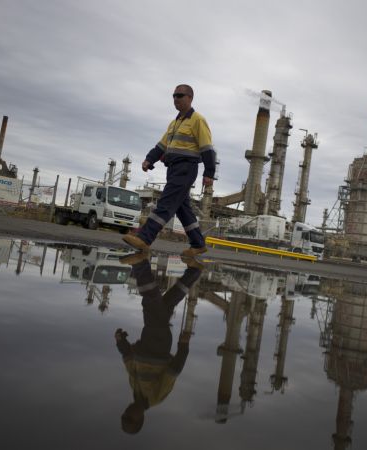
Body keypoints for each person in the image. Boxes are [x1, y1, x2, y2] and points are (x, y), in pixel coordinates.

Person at [122, 84, 216, 257]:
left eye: (179, 95)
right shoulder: (174, 123)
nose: (175, 99)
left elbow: (207, 148)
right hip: (173, 169)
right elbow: (161, 146)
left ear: (190, 98)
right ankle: (198, 244)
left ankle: (144, 238)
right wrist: (149, 159)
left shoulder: (197, 120)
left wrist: (209, 173)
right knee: (183, 209)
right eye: (174, 95)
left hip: (186, 168)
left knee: (166, 202)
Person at [115, 253, 202, 434]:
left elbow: (129, 362)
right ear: (140, 419)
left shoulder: (135, 390)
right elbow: (174, 371)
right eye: (130, 419)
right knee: (150, 304)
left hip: (146, 340)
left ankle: (194, 271)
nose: (127, 413)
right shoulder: (155, 398)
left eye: (124, 416)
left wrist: (121, 342)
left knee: (166, 303)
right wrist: (183, 346)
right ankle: (140, 265)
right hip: (159, 345)